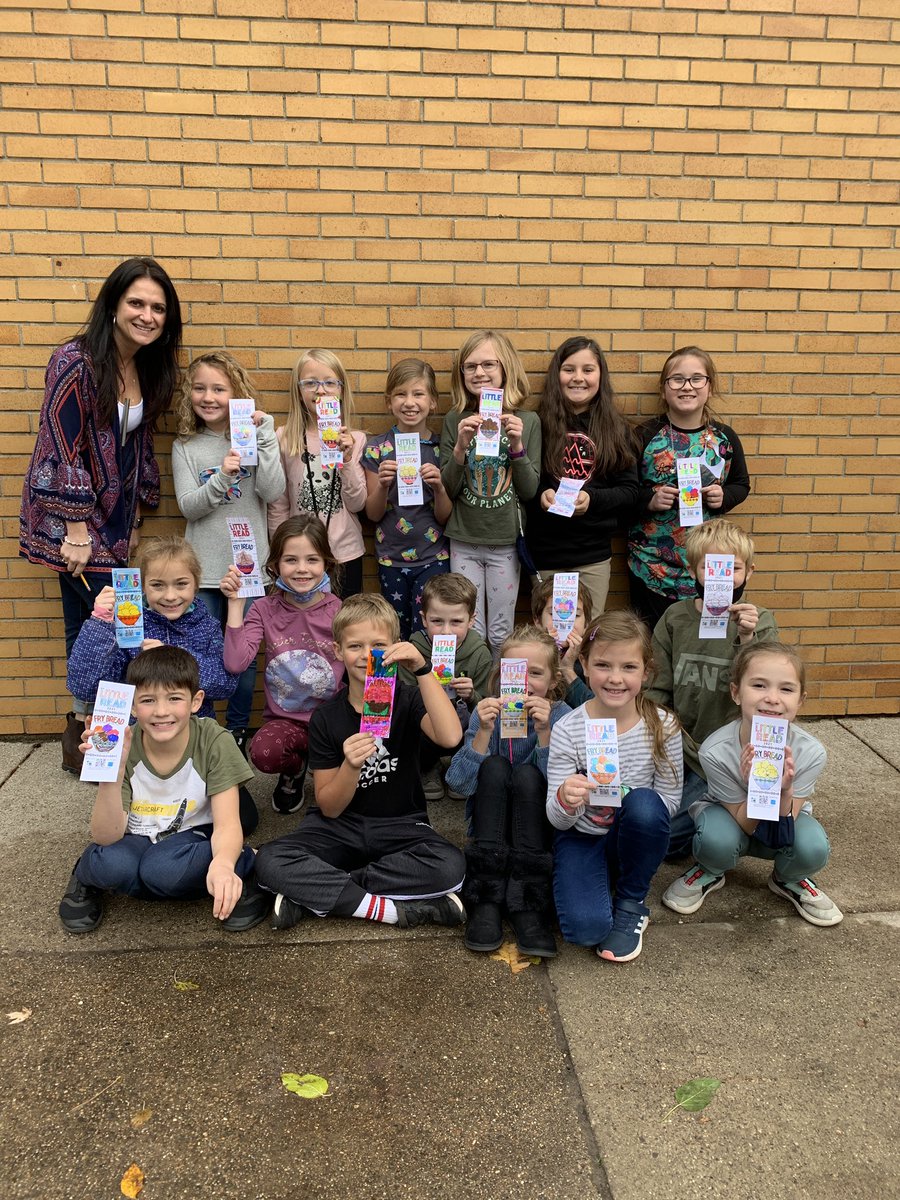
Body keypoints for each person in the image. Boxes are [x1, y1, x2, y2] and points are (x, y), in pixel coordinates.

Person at [19, 256, 182, 772]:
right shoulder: (76, 361)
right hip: (71, 521)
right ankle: (101, 741)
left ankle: (83, 734)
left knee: (91, 620)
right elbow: (60, 444)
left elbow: (135, 447)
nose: (147, 315)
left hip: (112, 520)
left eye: (158, 307)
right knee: (110, 623)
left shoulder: (145, 365)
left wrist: (131, 515)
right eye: (137, 303)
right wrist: (75, 530)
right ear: (113, 305)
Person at [255, 593, 467, 933]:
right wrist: (350, 767)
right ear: (338, 650)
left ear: (395, 646)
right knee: (270, 860)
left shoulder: (410, 699)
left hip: (401, 825)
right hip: (337, 829)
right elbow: (330, 807)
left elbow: (450, 737)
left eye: (379, 645)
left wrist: (422, 669)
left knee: (450, 866)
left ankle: (318, 892)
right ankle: (390, 910)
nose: (368, 655)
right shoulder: (326, 717)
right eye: (355, 646)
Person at [58, 646, 268, 935]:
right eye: (147, 700)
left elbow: (228, 824)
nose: (161, 711)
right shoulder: (122, 742)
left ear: (195, 701)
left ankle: (245, 863)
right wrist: (113, 773)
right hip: (136, 836)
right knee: (112, 865)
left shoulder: (213, 739)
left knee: (163, 871)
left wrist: (223, 864)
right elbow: (106, 836)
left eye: (174, 698)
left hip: (191, 835)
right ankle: (87, 875)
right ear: (133, 706)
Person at [662, 642, 843, 927]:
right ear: (736, 692)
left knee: (812, 846)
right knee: (715, 840)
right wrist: (758, 789)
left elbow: (782, 829)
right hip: (735, 821)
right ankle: (711, 871)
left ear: (801, 700)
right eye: (759, 685)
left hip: (783, 822)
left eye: (786, 689)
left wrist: (783, 790)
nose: (772, 698)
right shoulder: (715, 751)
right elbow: (747, 826)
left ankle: (788, 879)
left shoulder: (811, 752)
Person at [546, 611, 682, 962]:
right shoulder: (568, 728)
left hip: (632, 834)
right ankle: (600, 878)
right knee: (585, 930)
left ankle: (631, 899)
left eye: (629, 667)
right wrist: (566, 798)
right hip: (582, 834)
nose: (615, 678)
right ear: (584, 665)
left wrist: (627, 796)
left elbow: (668, 802)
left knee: (645, 805)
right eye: (603, 665)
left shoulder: (663, 725)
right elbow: (556, 819)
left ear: (646, 671)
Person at [171, 350, 285, 753]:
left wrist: (265, 436)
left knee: (243, 659)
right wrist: (222, 476)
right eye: (200, 388)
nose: (209, 397)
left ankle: (236, 731)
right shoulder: (185, 446)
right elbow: (189, 506)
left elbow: (272, 490)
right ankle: (204, 729)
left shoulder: (253, 438)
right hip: (202, 572)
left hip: (248, 569)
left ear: (236, 394)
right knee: (198, 653)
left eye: (219, 389)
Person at [646, 519, 779, 859]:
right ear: (693, 570)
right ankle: (721, 815)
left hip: (734, 752)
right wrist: (659, 735)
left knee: (672, 839)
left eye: (733, 568)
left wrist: (747, 639)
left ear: (749, 572)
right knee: (656, 834)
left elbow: (768, 692)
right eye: (711, 567)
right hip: (684, 749)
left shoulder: (761, 621)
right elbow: (656, 688)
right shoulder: (675, 618)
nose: (723, 578)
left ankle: (727, 819)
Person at [445, 626, 568, 958]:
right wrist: (483, 732)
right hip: (491, 830)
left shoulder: (562, 717)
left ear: (553, 680)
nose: (525, 682)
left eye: (536, 673)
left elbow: (563, 791)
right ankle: (486, 897)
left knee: (527, 775)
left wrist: (545, 734)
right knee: (496, 766)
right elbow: (458, 783)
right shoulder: (488, 712)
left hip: (536, 833)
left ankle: (529, 901)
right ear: (502, 675)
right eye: (516, 672)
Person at [221, 514, 343, 816]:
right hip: (287, 722)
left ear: (326, 564)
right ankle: (296, 768)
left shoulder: (340, 611)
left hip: (333, 719)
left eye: (312, 559)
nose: (302, 568)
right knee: (265, 752)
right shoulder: (263, 609)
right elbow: (236, 664)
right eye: (291, 560)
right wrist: (236, 604)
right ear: (275, 565)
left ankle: (330, 766)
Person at [627, 346, 750, 630]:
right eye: (677, 379)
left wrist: (724, 497)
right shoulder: (644, 435)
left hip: (709, 568)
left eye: (697, 379)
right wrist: (649, 499)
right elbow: (625, 491)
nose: (687, 386)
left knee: (700, 643)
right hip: (651, 565)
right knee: (652, 643)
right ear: (663, 389)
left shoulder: (724, 438)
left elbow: (741, 484)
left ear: (709, 387)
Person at [439, 330, 540, 654]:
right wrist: (460, 448)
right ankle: (473, 685)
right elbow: (448, 488)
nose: (479, 373)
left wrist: (517, 446)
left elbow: (530, 490)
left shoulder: (527, 421)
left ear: (505, 368)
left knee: (500, 631)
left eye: (488, 364)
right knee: (470, 630)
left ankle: (498, 685)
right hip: (463, 539)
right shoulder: (455, 419)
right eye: (470, 366)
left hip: (505, 541)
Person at [67, 536, 238, 724]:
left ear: (196, 585)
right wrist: (100, 624)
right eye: (157, 585)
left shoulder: (207, 626)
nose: (170, 596)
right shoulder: (127, 625)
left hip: (193, 731)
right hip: (139, 731)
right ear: (142, 586)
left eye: (181, 584)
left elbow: (225, 685)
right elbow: (84, 687)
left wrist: (174, 659)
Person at [524, 336, 639, 616]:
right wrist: (541, 495)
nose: (578, 377)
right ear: (557, 375)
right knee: (549, 634)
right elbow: (522, 480)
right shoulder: (537, 424)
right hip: (546, 554)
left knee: (588, 633)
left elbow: (630, 491)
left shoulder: (616, 429)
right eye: (569, 369)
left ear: (600, 376)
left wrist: (592, 498)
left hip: (593, 558)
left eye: (588, 370)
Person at [363, 358, 452, 640]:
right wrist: (382, 486)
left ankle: (428, 673)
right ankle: (400, 673)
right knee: (395, 634)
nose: (409, 402)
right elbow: (373, 514)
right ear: (389, 402)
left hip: (434, 557)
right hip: (391, 560)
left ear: (433, 401)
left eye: (418, 394)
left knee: (430, 633)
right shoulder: (377, 449)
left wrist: (439, 487)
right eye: (401, 394)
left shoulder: (441, 448)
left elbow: (445, 517)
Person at [268, 349, 367, 599]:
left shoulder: (356, 439)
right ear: (298, 390)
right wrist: (281, 551)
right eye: (310, 383)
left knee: (347, 620)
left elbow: (357, 503)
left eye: (329, 383)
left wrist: (347, 460)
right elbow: (279, 504)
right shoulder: (285, 438)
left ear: (341, 389)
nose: (320, 391)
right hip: (301, 558)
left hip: (345, 552)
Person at [397, 572, 493, 802]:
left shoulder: (480, 654)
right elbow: (405, 701)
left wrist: (471, 695)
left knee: (484, 730)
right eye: (437, 621)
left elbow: (487, 706)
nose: (446, 631)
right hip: (426, 729)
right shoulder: (413, 651)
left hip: (464, 729)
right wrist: (428, 688)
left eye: (456, 622)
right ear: (424, 619)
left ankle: (461, 770)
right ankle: (427, 767)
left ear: (471, 620)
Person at [531, 573, 594, 710]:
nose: (565, 622)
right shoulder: (525, 654)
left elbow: (598, 712)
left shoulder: (593, 660)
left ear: (586, 624)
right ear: (537, 621)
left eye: (575, 615)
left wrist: (567, 670)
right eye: (554, 614)